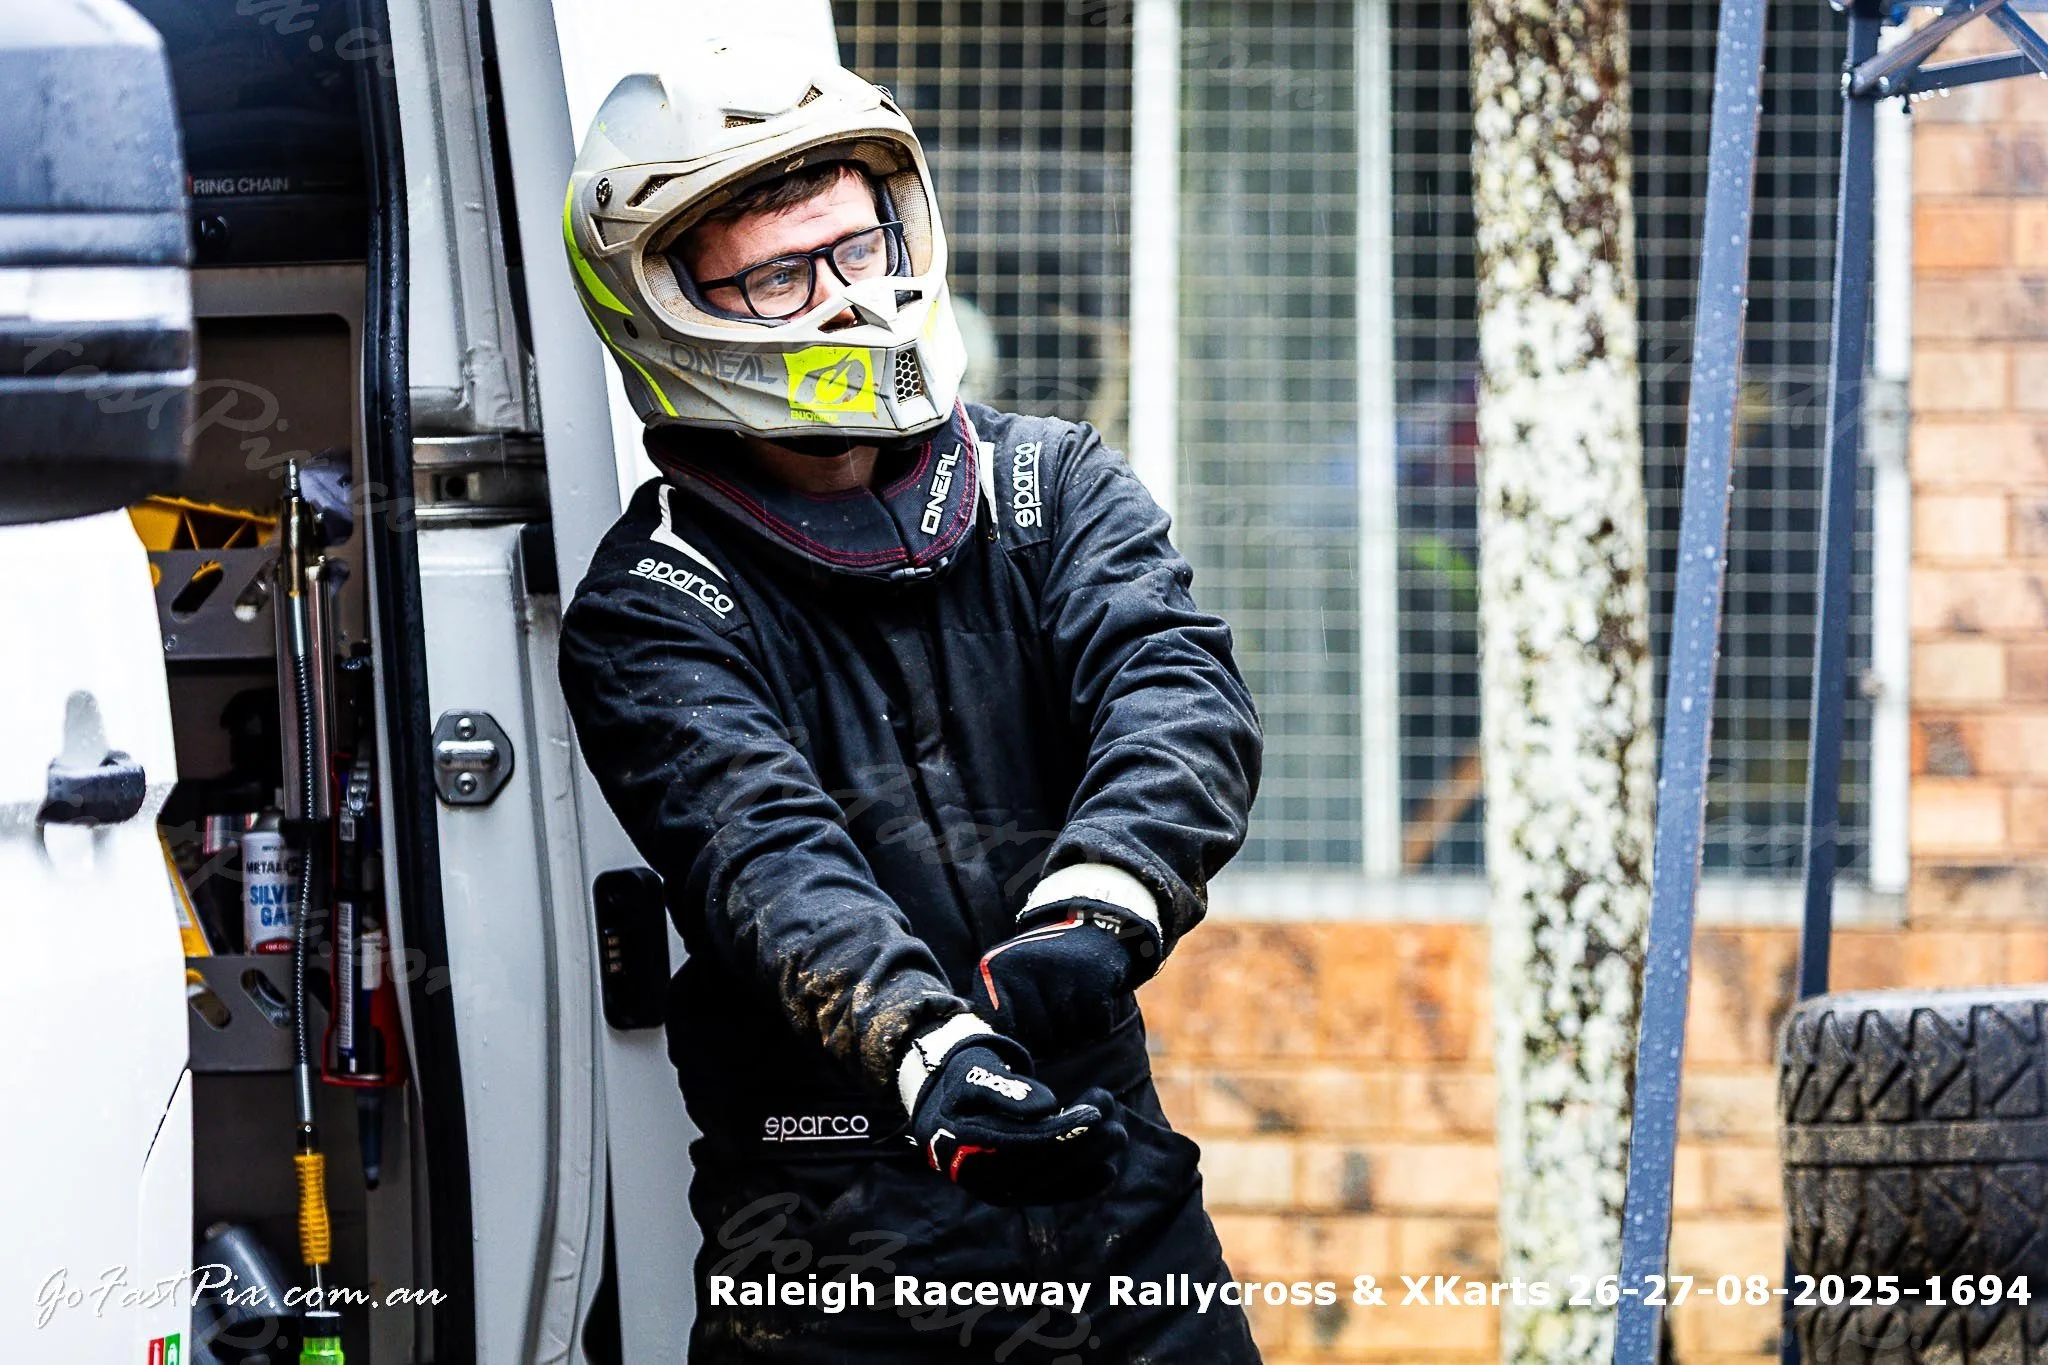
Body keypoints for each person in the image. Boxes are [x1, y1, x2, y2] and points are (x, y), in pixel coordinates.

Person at [556, 40, 1264, 1364]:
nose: (842, 302)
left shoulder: (1049, 486)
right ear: (669, 308)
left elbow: (1173, 691)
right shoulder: (657, 602)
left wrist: (1101, 911)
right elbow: (761, 852)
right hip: (835, 1230)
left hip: (1114, 1189)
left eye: (857, 248)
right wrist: (925, 1047)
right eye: (781, 274)